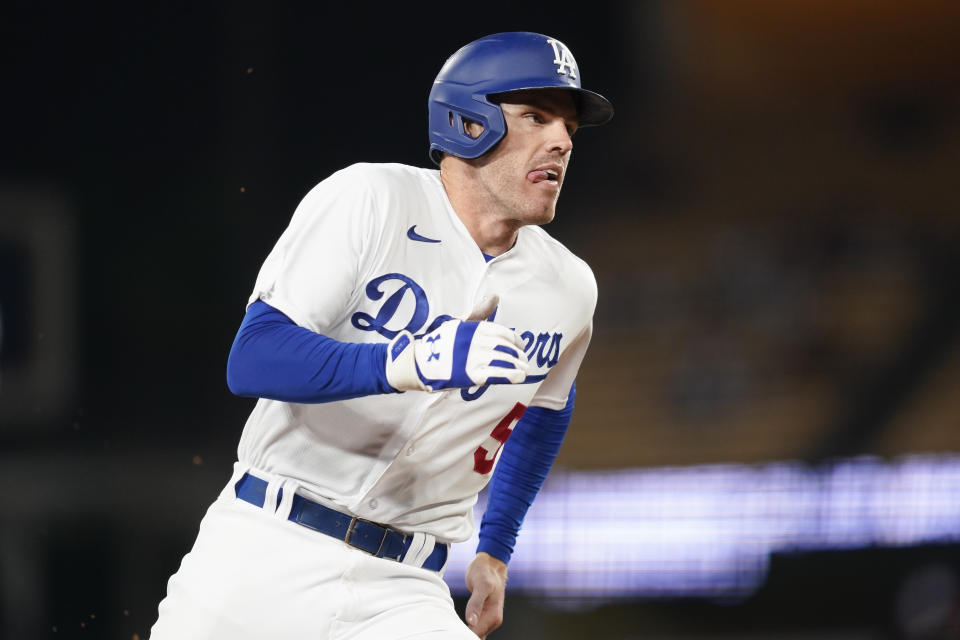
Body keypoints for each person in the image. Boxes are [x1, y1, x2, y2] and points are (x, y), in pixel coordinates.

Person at [149, 31, 613, 639]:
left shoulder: (568, 286)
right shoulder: (371, 198)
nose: (561, 140)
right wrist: (409, 361)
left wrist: (497, 546)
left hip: (405, 590)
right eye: (536, 116)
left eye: (569, 129)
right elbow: (254, 357)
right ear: (468, 121)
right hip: (264, 550)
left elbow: (547, 409)